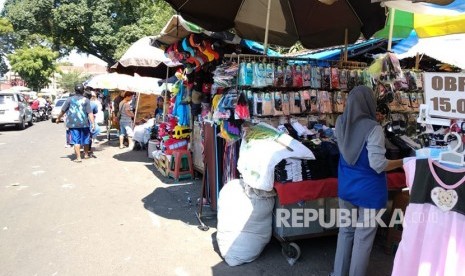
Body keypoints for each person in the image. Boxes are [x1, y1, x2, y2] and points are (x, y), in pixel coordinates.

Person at [331, 86, 403, 276]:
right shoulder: (374, 128)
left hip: (346, 187)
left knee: (346, 232)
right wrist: (404, 161)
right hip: (370, 192)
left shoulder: (340, 122)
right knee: (363, 239)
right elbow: (378, 164)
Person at [56, 84, 95, 163]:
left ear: (75, 90)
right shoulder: (86, 100)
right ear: (83, 91)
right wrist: (93, 123)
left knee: (76, 141)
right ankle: (86, 154)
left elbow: (63, 111)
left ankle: (78, 158)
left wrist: (58, 118)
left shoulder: (69, 99)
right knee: (86, 140)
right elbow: (90, 113)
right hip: (85, 124)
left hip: (73, 124)